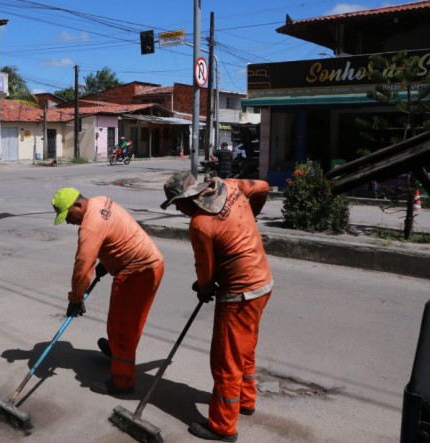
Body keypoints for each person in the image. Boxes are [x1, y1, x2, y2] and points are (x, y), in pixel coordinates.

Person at [161, 172, 273, 442]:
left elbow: (205, 270)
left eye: (177, 202)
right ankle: (245, 401)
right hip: (263, 283)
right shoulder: (231, 186)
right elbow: (264, 186)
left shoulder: (200, 224)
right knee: (244, 349)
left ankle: (223, 426)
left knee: (226, 360)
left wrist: (205, 288)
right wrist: (250, 217)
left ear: (189, 197)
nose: (177, 208)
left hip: (239, 294)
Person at [51, 187, 165, 394]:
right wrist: (108, 261)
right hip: (151, 263)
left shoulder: (90, 226)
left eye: (67, 216)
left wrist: (75, 299)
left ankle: (121, 383)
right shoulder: (100, 200)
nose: (68, 222)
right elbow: (116, 232)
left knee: (121, 329)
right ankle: (119, 352)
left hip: (137, 272)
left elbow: (83, 266)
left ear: (77, 205)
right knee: (129, 322)